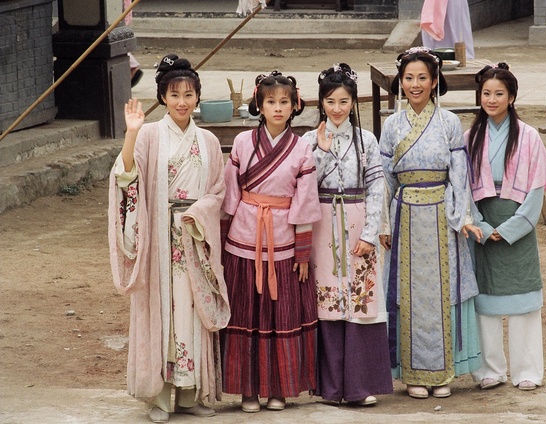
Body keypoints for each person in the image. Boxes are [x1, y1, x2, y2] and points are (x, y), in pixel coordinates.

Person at [107, 54, 230, 423]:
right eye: (174, 94)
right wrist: (131, 133)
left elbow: (218, 191)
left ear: (197, 97)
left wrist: (199, 213)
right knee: (161, 313)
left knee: (192, 311)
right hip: (159, 237)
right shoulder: (148, 135)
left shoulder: (208, 140)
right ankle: (159, 398)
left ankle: (190, 394)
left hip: (194, 236)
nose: (182, 102)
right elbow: (126, 177)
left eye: (188, 94)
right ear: (162, 97)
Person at [378, 46, 483, 399]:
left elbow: (459, 174)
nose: (415, 84)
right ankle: (412, 374)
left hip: (441, 215)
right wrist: (383, 223)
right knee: (407, 296)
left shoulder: (449, 122)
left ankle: (441, 373)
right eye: (409, 78)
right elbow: (385, 179)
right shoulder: (392, 125)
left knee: (442, 293)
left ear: (435, 81)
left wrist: (462, 216)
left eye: (422, 77)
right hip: (405, 214)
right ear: (400, 82)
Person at [220, 71, 322, 413]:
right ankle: (247, 390)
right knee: (245, 312)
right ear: (259, 106)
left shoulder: (302, 148)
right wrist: (222, 243)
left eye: (284, 102)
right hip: (244, 236)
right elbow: (230, 196)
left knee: (282, 314)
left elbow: (305, 202)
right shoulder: (242, 142)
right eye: (270, 102)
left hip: (283, 239)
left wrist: (303, 252)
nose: (278, 108)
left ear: (295, 106)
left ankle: (280, 388)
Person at [301, 63, 393, 406]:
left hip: (356, 222)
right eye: (330, 101)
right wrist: (322, 151)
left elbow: (377, 187)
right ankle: (330, 388)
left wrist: (370, 233)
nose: (337, 108)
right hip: (322, 224)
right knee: (327, 301)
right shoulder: (308, 141)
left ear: (353, 102)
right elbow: (305, 187)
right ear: (321, 103)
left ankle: (359, 385)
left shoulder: (366, 139)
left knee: (360, 301)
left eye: (343, 101)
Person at [465, 63, 546, 391]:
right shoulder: (469, 137)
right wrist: (478, 224)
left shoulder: (529, 136)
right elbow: (462, 187)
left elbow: (536, 189)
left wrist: (512, 228)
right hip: (481, 224)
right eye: (486, 93)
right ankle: (489, 369)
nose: (491, 100)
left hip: (518, 222)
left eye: (499, 94)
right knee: (484, 299)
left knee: (523, 300)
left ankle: (527, 370)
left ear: (512, 97)